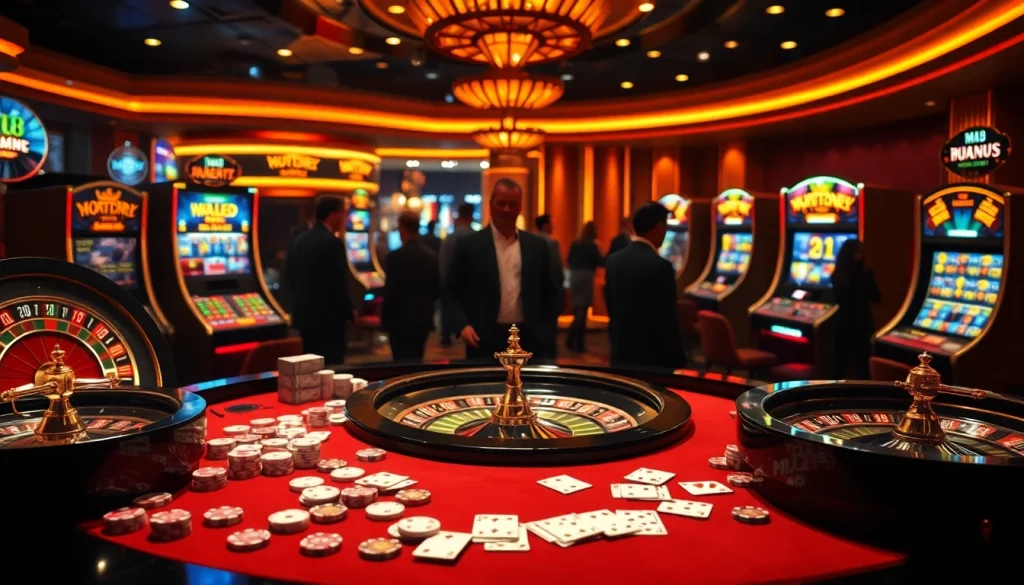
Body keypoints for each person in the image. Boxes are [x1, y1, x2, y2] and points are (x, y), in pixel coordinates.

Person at [443, 178, 558, 360]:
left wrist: (546, 330)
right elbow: (449, 291)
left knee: (526, 388)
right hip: (483, 338)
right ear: (491, 204)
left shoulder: (536, 246)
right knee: (484, 388)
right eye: (501, 203)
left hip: (528, 338)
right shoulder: (469, 245)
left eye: (513, 204)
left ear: (520, 207)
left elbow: (551, 292)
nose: (506, 209)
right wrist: (462, 325)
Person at [605, 202, 686, 369]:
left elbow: (612, 307)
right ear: (658, 228)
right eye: (666, 227)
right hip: (651, 358)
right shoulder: (660, 266)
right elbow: (667, 320)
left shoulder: (614, 260)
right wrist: (678, 360)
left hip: (620, 351)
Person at [291, 195, 356, 364]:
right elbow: (338, 284)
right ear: (333, 214)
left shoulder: (300, 240)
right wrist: (350, 312)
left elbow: (291, 277)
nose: (344, 219)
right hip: (329, 320)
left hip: (305, 316)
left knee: (308, 368)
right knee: (331, 369)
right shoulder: (333, 243)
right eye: (343, 213)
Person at [382, 210, 440, 362]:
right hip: (422, 319)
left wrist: (384, 320)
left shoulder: (394, 258)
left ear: (402, 228)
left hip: (399, 321)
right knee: (417, 361)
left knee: (400, 363)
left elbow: (391, 293)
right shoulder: (431, 256)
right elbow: (436, 289)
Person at [830, 238, 880, 379]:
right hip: (860, 325)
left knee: (841, 366)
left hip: (843, 324)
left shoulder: (836, 275)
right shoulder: (863, 277)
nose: (861, 256)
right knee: (861, 368)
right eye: (859, 252)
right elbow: (876, 297)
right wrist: (868, 278)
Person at [438, 203, 476, 347]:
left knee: (448, 309)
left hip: (451, 282)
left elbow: (443, 263)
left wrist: (444, 283)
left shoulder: (450, 238)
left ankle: (446, 336)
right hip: (471, 286)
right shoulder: (475, 237)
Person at [566, 221, 603, 353]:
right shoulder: (592, 245)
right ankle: (577, 341)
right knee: (583, 309)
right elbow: (600, 262)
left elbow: (568, 259)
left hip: (574, 276)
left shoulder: (575, 244)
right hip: (586, 276)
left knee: (577, 307)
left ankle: (571, 339)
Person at [535, 214, 565, 354]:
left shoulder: (529, 240)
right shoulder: (551, 243)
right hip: (549, 294)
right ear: (545, 225)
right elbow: (556, 271)